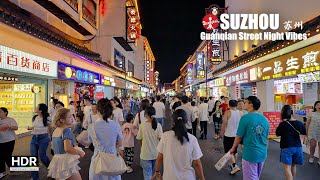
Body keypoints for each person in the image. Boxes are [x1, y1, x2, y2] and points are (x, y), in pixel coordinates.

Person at [152, 109, 205, 180]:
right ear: (186, 121)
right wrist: (202, 178)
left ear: (173, 120)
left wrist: (157, 171)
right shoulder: (192, 139)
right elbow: (197, 163)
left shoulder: (165, 136)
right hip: (187, 177)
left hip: (169, 177)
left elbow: (159, 157)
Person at [229, 96, 269, 180]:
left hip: (250, 153)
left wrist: (233, 148)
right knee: (256, 176)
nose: (243, 104)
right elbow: (266, 137)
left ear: (251, 104)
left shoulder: (245, 118)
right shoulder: (264, 119)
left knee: (250, 177)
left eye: (245, 102)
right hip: (262, 152)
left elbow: (239, 136)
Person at [88, 98, 124, 180]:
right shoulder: (116, 125)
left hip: (98, 159)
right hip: (112, 158)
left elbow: (90, 141)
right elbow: (120, 143)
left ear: (98, 110)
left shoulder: (91, 127)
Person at [48, 108, 85, 180]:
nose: (72, 118)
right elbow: (67, 148)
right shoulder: (66, 131)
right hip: (66, 162)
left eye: (72, 116)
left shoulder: (55, 130)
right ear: (62, 120)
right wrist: (79, 152)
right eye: (69, 117)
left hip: (56, 160)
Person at [276, 105, 306, 180]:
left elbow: (277, 133)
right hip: (298, 147)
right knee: (293, 165)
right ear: (292, 113)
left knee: (286, 167)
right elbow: (304, 132)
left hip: (287, 147)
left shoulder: (283, 124)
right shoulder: (299, 123)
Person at [137, 107, 163, 180]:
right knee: (156, 173)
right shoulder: (158, 125)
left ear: (146, 115)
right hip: (156, 154)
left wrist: (143, 146)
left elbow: (140, 138)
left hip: (145, 154)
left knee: (147, 174)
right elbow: (161, 140)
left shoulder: (142, 125)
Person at [28, 103, 52, 180]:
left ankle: (52, 170)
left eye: (37, 107)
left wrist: (50, 137)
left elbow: (50, 128)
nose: (35, 108)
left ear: (40, 110)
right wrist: (31, 128)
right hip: (34, 138)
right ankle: (35, 177)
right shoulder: (35, 117)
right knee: (33, 158)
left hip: (44, 138)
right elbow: (35, 126)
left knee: (43, 157)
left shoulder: (47, 118)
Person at [220, 100, 242, 175]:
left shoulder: (227, 112)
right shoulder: (240, 113)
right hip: (237, 135)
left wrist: (221, 133)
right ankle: (234, 166)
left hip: (228, 135)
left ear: (229, 105)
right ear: (237, 105)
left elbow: (224, 124)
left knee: (229, 151)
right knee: (235, 150)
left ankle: (234, 166)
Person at [0, 107, 18, 179]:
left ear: (5, 113)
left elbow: (16, 127)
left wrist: (8, 126)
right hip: (1, 141)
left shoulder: (10, 120)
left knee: (7, 155)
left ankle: (12, 168)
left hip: (10, 140)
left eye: (0, 112)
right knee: (1, 156)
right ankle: (2, 172)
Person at [306, 100, 320, 165]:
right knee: (313, 145)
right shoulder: (311, 113)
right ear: (315, 106)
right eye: (317, 105)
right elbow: (308, 122)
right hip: (312, 131)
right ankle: (311, 157)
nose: (319, 106)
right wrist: (306, 130)